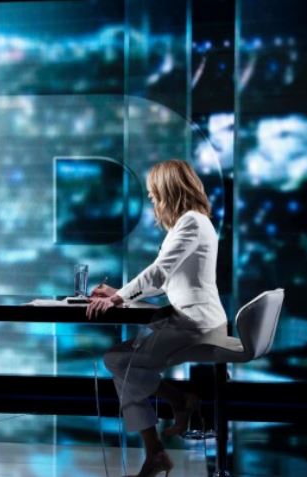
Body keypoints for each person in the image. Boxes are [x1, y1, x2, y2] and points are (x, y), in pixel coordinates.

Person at [86, 160, 228, 477]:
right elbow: (166, 281)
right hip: (192, 319)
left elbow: (160, 271)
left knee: (118, 361)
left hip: (197, 323)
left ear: (169, 190)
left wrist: (117, 298)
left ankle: (167, 425)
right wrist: (120, 292)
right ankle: (166, 429)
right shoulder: (192, 223)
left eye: (154, 193)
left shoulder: (192, 222)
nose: (152, 199)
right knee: (121, 363)